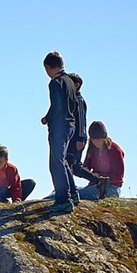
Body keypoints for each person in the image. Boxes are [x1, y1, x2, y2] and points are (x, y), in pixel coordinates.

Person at [41, 51, 80, 214]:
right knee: (63, 160)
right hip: (71, 125)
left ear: (49, 67)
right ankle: (73, 193)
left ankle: (63, 199)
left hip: (60, 125)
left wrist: (47, 118)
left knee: (56, 162)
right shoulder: (70, 81)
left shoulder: (55, 83)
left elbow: (57, 106)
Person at [78, 121, 126, 200]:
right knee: (66, 190)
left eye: (98, 139)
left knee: (76, 195)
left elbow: (118, 177)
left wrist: (100, 178)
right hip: (94, 185)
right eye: (93, 139)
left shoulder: (115, 151)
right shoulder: (92, 149)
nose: (95, 142)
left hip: (111, 188)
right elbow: (86, 166)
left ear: (104, 137)